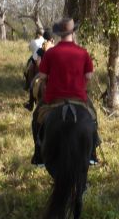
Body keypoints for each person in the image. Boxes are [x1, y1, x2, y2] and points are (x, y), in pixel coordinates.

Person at [31, 18, 100, 166]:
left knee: (36, 117)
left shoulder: (50, 53)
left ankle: (38, 156)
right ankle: (92, 154)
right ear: (73, 32)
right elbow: (89, 76)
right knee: (93, 117)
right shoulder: (83, 53)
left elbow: (42, 76)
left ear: (59, 34)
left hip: (53, 98)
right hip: (79, 97)